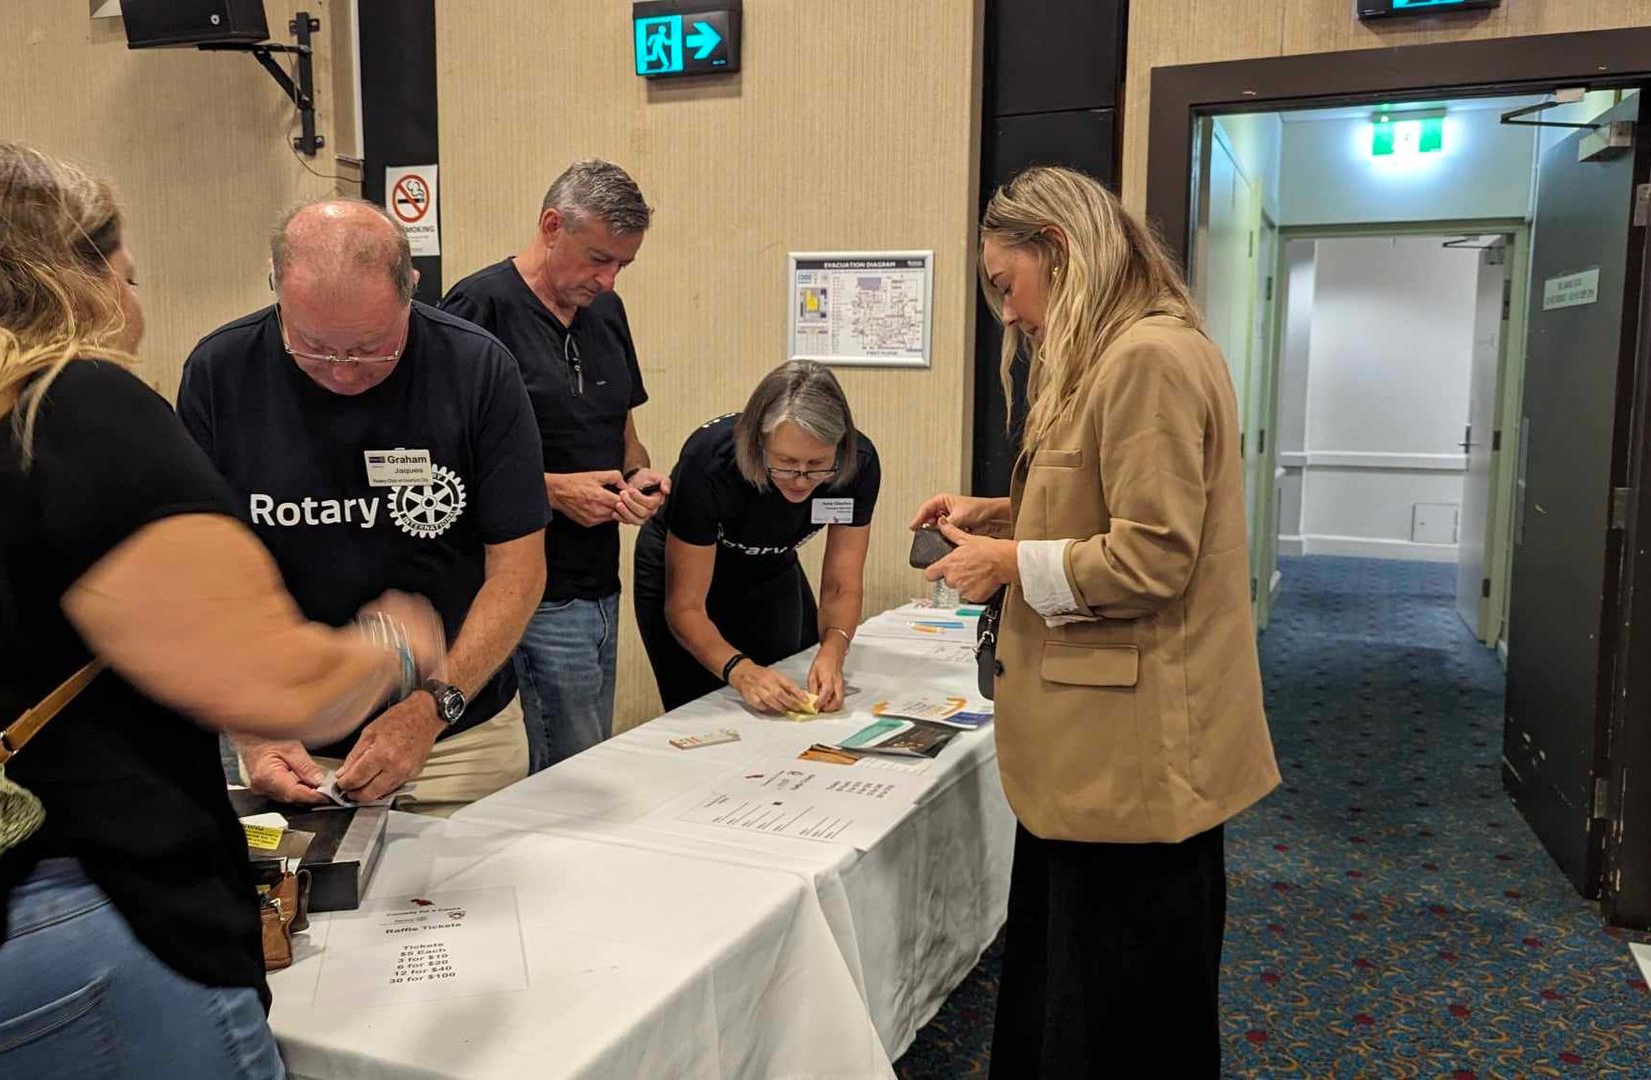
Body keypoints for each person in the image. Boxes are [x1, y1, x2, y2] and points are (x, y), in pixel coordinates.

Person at [0, 138, 444, 1077]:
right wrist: (396, 647)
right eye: (127, 274)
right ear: (76, 277)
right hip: (70, 922)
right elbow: (276, 685)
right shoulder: (71, 409)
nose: (135, 303)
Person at [911, 166, 1280, 1077]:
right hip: (1095, 754)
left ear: (1062, 252)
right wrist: (1008, 511)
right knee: (1073, 992)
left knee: (1118, 1013)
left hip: (1131, 757)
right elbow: (1109, 504)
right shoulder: (1125, 352)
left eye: (1007, 284)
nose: (1008, 313)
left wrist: (1008, 564)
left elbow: (1155, 556)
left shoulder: (1146, 357)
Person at [177, 199, 550, 816]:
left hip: (458, 740)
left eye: (373, 347)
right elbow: (193, 577)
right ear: (276, 291)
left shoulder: (478, 368)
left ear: (412, 291)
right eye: (314, 347)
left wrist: (433, 707)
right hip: (288, 747)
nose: (344, 372)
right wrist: (250, 726)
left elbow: (518, 570)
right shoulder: (220, 373)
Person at [440, 160, 668, 772]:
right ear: (550, 226)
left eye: (622, 265)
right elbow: (436, 467)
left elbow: (624, 428)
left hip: (597, 581)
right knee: (564, 773)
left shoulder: (606, 313)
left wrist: (637, 478)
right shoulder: (476, 308)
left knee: (589, 754)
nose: (609, 280)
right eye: (598, 259)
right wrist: (551, 491)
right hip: (524, 587)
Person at [635, 361, 879, 715]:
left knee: (786, 691)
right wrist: (741, 671)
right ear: (758, 443)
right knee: (704, 709)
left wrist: (833, 651)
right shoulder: (710, 463)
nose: (800, 480)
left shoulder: (857, 464)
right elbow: (684, 607)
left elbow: (842, 585)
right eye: (786, 462)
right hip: (686, 576)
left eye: (817, 465)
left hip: (771, 566)